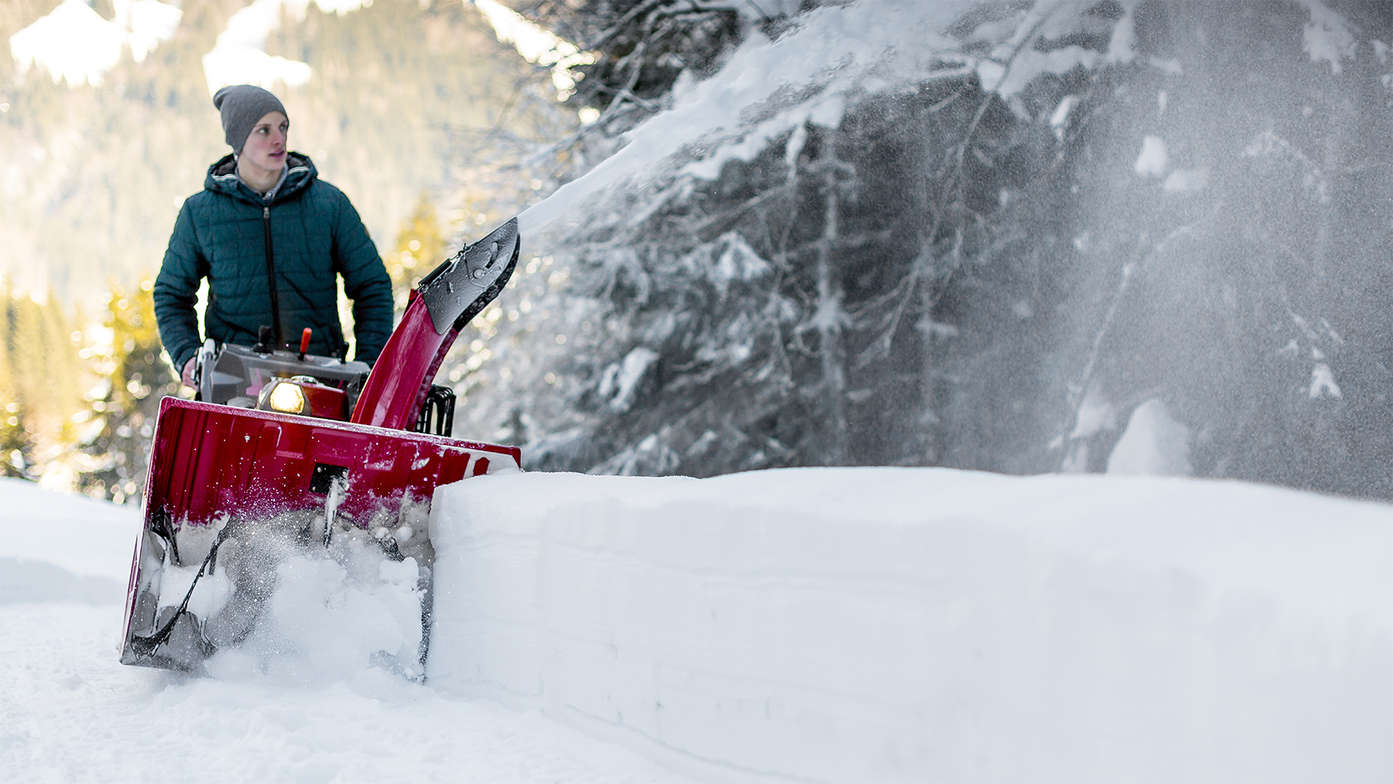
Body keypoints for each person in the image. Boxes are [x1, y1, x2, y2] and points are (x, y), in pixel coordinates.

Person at [153, 84, 393, 387]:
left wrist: (369, 363)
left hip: (321, 380)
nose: (279, 139)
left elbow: (372, 286)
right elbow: (171, 295)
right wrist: (187, 356)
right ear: (238, 139)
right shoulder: (200, 213)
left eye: (282, 126)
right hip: (232, 384)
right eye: (263, 130)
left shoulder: (329, 204)